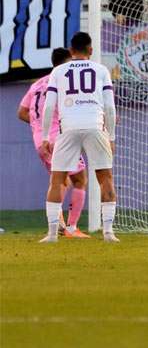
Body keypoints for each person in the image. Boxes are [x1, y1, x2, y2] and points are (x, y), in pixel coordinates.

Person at [39, 32, 119, 243]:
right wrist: (111, 136)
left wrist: (46, 136)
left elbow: (49, 106)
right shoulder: (101, 70)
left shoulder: (58, 71)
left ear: (71, 50)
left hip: (69, 128)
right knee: (105, 178)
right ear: (90, 50)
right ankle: (109, 233)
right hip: (95, 125)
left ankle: (52, 234)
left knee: (57, 180)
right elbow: (110, 107)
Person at [18, 47, 89, 238]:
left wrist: (38, 127)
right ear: (67, 63)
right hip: (59, 138)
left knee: (59, 181)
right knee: (80, 179)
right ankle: (72, 228)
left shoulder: (37, 84)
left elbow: (22, 112)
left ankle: (58, 226)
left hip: (40, 142)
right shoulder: (64, 82)